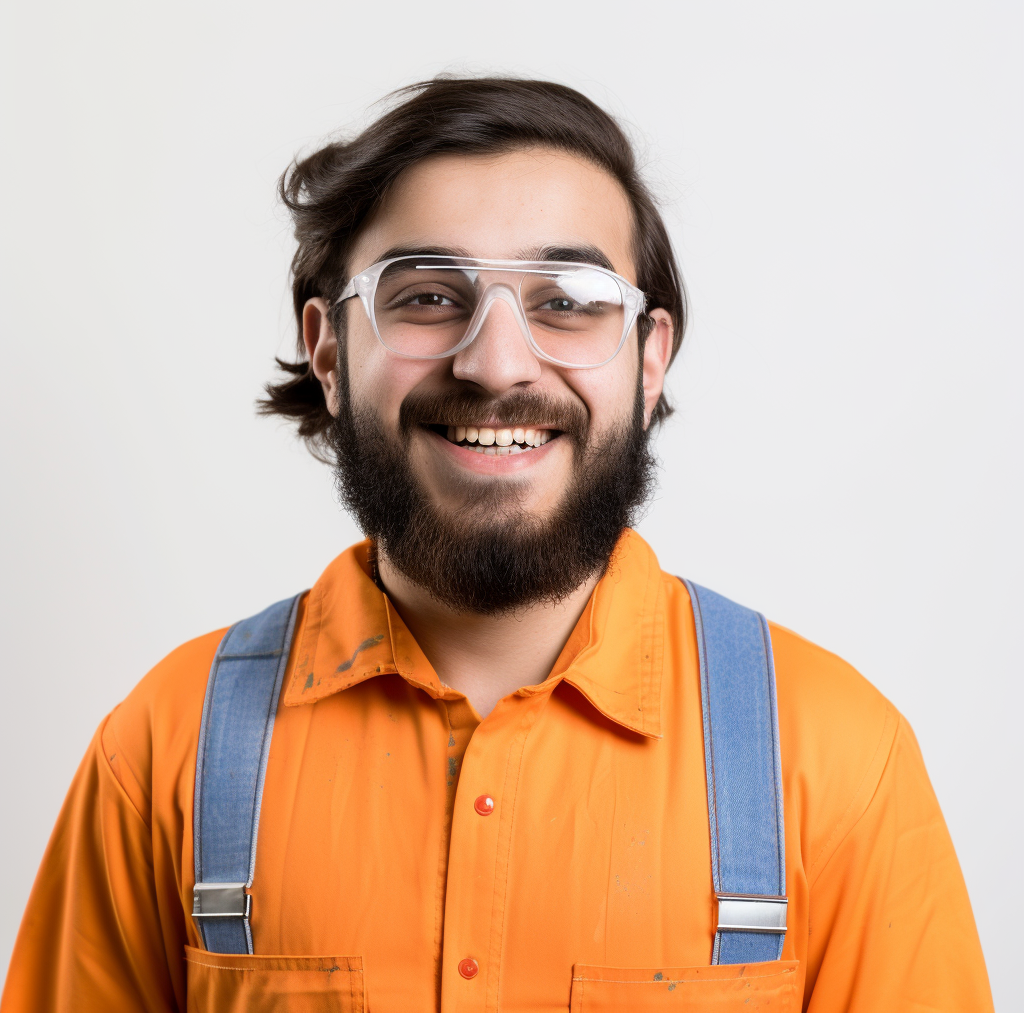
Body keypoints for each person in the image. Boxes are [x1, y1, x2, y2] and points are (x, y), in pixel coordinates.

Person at [1, 77, 993, 1012]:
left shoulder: (835, 757)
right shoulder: (163, 747)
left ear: (649, 359)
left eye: (567, 299)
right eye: (428, 294)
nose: (496, 361)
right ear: (329, 351)